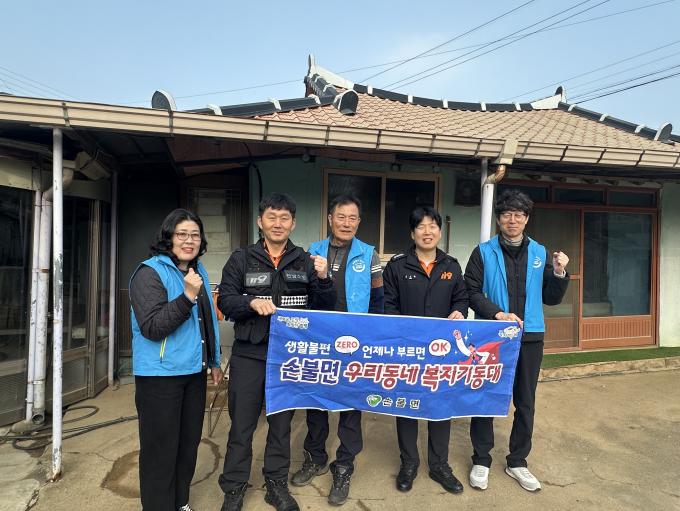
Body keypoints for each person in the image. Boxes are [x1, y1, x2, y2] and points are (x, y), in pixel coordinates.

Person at [217, 193, 336, 511]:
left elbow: (324, 307)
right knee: (242, 426)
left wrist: (324, 278)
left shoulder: (305, 260)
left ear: (293, 223)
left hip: (288, 357)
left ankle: (276, 484)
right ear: (261, 221)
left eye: (285, 218)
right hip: (249, 353)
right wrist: (250, 302)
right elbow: (225, 300)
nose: (278, 223)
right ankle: (234, 488)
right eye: (272, 217)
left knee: (281, 426)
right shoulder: (242, 258)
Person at [464, 189, 569, 492]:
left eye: (519, 214)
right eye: (507, 214)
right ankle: (481, 459)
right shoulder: (483, 252)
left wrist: (559, 272)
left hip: (530, 336)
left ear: (526, 219)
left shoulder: (539, 252)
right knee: (486, 397)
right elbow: (471, 291)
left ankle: (518, 461)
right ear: (498, 219)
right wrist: (497, 314)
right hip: (493, 336)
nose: (513, 219)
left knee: (525, 401)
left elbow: (550, 298)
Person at [290, 194, 384, 506]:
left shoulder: (369, 254)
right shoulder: (312, 251)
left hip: (356, 341)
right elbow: (303, 294)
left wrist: (373, 338)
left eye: (352, 218)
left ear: (359, 222)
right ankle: (314, 457)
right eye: (341, 217)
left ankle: (344, 466)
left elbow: (378, 300)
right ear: (330, 219)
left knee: (350, 404)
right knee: (316, 402)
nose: (346, 223)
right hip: (320, 340)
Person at [130, 208, 222, 511]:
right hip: (159, 377)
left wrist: (214, 360)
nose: (189, 240)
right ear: (168, 237)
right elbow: (152, 327)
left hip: (193, 373)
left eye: (195, 235)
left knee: (187, 446)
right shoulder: (149, 273)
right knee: (160, 451)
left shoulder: (197, 271)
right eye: (182, 234)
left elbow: (207, 319)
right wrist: (186, 296)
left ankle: (180, 503)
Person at [383, 206, 469, 495]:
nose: (427, 232)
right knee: (406, 404)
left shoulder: (451, 265)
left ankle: (439, 465)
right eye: (421, 226)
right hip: (408, 350)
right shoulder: (397, 266)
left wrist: (459, 311)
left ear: (440, 232)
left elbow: (462, 299)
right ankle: (408, 463)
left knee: (440, 405)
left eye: (432, 226)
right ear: (412, 233)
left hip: (442, 352)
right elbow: (389, 306)